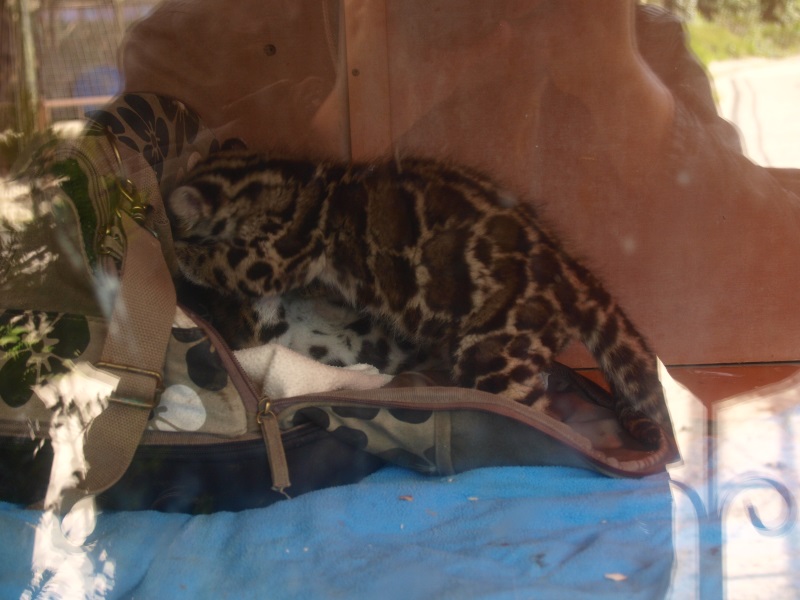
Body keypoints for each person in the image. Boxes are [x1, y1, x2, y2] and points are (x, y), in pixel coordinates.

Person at [120, 0, 800, 368]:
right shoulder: (213, 37)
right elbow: (135, 290)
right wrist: (358, 106)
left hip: (595, 439)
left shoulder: (617, 32)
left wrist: (617, 81)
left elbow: (769, 272)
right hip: (301, 462)